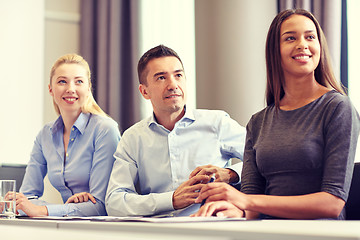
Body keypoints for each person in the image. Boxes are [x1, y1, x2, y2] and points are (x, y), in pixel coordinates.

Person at [192, 9, 360, 220]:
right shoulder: (258, 122)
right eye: (291, 38)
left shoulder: (337, 107)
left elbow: (333, 202)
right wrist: (234, 210)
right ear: (275, 50)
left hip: (321, 233)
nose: (302, 44)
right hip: (266, 231)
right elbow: (253, 200)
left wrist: (245, 201)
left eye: (310, 37)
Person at [105, 45, 246, 217]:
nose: (173, 85)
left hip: (212, 228)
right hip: (158, 233)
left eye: (178, 75)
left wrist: (231, 174)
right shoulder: (132, 138)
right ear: (144, 91)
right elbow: (115, 201)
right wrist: (171, 200)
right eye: (161, 78)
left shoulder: (217, 123)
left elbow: (263, 162)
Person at [16, 54, 121, 217]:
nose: (70, 88)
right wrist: (26, 205)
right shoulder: (45, 134)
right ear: (50, 89)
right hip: (68, 224)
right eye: (62, 81)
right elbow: (27, 197)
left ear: (88, 88)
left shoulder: (105, 130)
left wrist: (43, 209)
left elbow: (101, 206)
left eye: (79, 81)